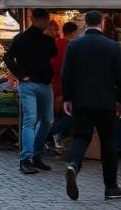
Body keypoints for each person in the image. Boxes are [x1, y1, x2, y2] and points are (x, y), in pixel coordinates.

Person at [62, 10, 121, 201]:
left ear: (85, 24)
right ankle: (111, 187)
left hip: (81, 101)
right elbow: (120, 75)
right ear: (102, 24)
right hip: (106, 102)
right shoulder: (112, 46)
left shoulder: (74, 46)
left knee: (81, 137)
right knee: (108, 142)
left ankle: (73, 165)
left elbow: (67, 74)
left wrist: (67, 98)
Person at [4, 7, 57, 174]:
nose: (46, 22)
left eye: (47, 20)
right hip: (30, 85)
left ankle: (35, 155)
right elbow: (7, 58)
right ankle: (25, 159)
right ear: (35, 20)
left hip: (45, 85)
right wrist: (20, 76)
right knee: (31, 120)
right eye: (44, 20)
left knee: (47, 120)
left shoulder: (47, 39)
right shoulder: (21, 38)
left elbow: (53, 56)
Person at [48, 21, 80, 152]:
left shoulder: (56, 44)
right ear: (74, 33)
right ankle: (45, 136)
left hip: (53, 86)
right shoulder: (71, 46)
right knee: (69, 115)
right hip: (63, 87)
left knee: (57, 116)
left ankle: (51, 140)